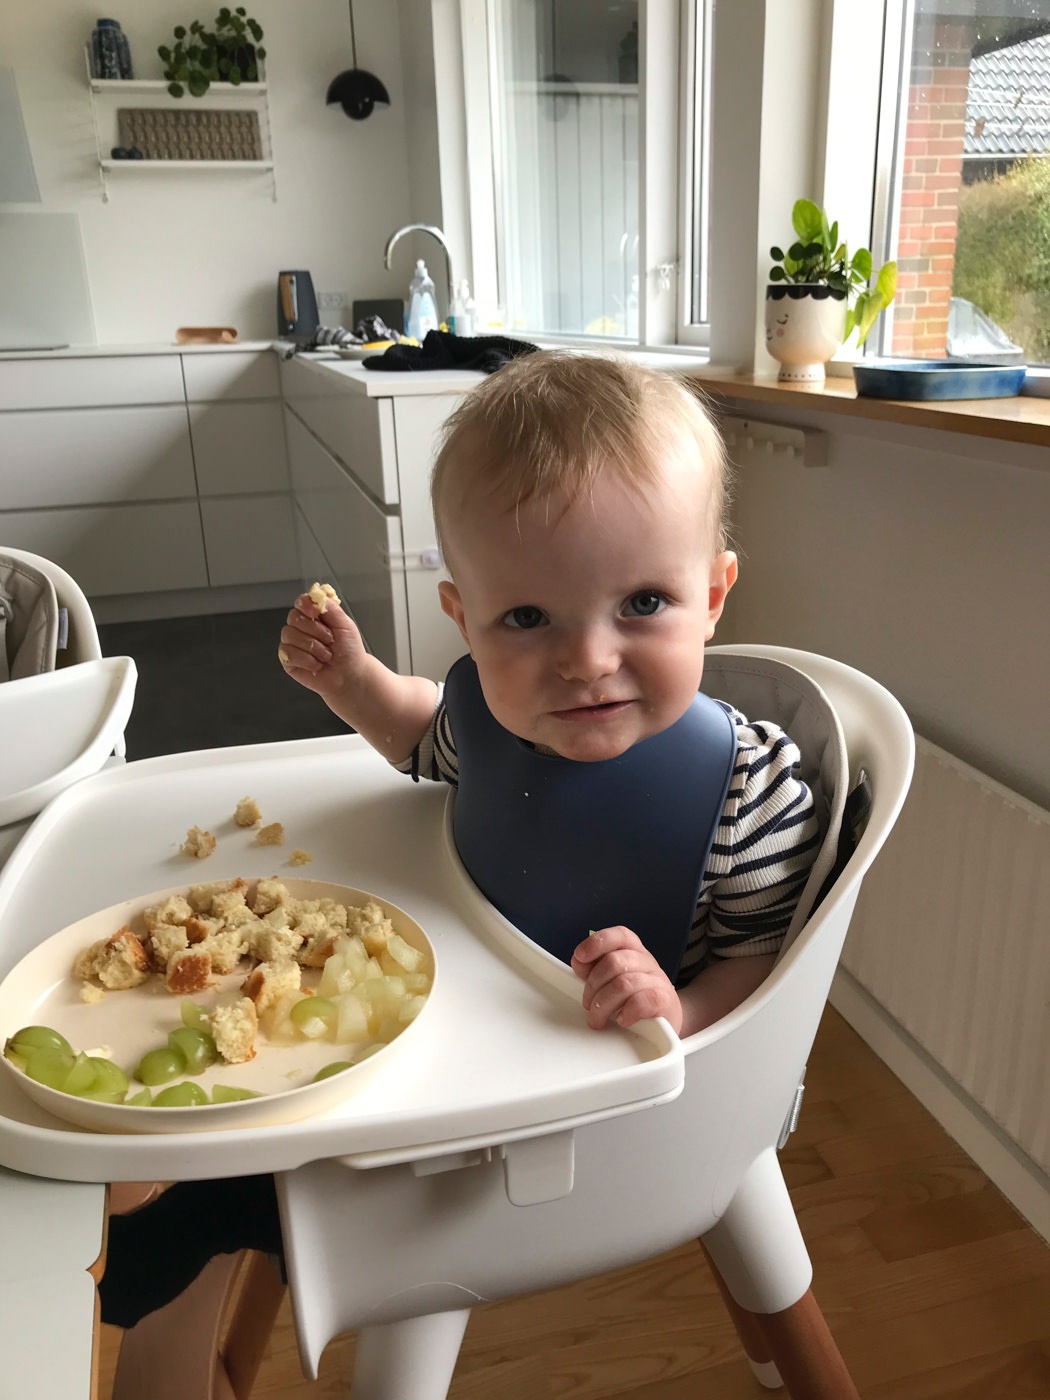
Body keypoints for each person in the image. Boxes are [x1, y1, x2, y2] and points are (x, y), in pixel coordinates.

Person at [99, 351, 818, 1331]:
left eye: (644, 603)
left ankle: (225, 1214)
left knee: (316, 1158)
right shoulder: (487, 710)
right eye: (526, 617)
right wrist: (354, 684)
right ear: (465, 620)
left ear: (715, 592)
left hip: (597, 1101)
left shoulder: (751, 792)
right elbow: (426, 744)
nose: (587, 659)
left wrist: (679, 1010)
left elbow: (764, 969)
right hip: (465, 1016)